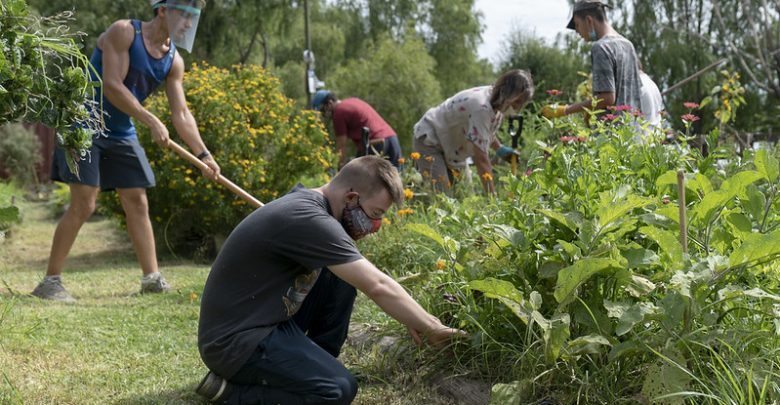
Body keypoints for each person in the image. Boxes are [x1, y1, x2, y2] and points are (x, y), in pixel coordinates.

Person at [195, 156, 465, 404]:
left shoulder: (310, 203)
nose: (375, 225)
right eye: (375, 214)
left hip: (265, 320)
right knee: (337, 390)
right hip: (234, 343)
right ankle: (231, 393)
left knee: (343, 276)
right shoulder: (310, 218)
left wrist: (410, 315)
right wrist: (431, 327)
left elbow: (365, 277)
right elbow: (377, 285)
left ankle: (314, 365)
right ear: (351, 198)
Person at [31, 0, 220, 302]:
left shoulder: (173, 61)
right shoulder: (124, 32)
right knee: (85, 202)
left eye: (192, 19)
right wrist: (150, 120)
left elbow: (181, 113)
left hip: (120, 130)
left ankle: (151, 278)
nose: (187, 24)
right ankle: (50, 282)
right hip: (83, 122)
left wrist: (203, 155)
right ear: (162, 11)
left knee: (137, 199)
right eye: (184, 16)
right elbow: (112, 86)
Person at [412, 69, 533, 193]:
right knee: (441, 197)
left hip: (454, 148)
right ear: (508, 93)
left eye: (521, 104)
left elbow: (482, 132)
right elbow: (480, 159)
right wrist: (493, 199)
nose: (517, 107)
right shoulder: (482, 107)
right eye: (517, 101)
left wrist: (499, 148)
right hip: (431, 140)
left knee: (465, 196)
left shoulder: (497, 104)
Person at [542, 0, 641, 121]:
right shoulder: (628, 45)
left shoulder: (601, 47)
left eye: (577, 25)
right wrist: (591, 108)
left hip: (612, 134)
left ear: (589, 20)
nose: (577, 31)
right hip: (633, 132)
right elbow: (634, 92)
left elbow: (607, 98)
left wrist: (565, 110)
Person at [311, 90, 402, 169]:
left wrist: (339, 168)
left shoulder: (338, 112)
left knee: (359, 180)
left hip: (375, 143)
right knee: (398, 180)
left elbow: (341, 146)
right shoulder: (352, 101)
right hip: (392, 138)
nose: (324, 113)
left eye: (323, 109)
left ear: (330, 103)